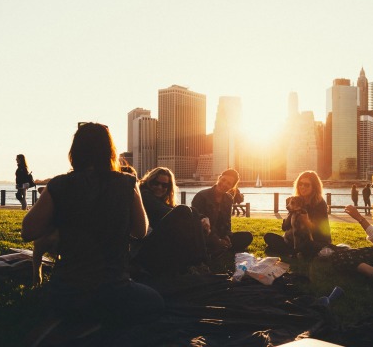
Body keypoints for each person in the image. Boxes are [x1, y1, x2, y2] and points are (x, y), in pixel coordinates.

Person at [21, 122, 164, 326]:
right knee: (155, 302)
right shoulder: (127, 183)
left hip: (66, 293)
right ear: (110, 151)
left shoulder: (58, 185)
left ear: (75, 152)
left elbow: (28, 231)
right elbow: (141, 231)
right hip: (114, 290)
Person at [132, 167, 209, 277]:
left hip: (156, 245)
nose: (159, 187)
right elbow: (167, 212)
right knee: (184, 211)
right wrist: (195, 220)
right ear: (149, 181)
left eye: (164, 185)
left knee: (194, 211)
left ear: (169, 188)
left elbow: (172, 208)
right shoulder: (145, 195)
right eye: (156, 183)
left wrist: (203, 217)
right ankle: (198, 263)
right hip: (144, 249)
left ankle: (199, 263)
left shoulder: (160, 200)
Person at [264, 171, 332, 258]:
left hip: (315, 240)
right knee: (268, 236)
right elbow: (284, 228)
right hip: (295, 240)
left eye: (307, 185)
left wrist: (306, 222)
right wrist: (290, 216)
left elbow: (319, 231)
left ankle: (290, 252)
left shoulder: (320, 203)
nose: (302, 187)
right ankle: (293, 252)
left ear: (314, 187)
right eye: (300, 184)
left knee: (307, 246)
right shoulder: (295, 201)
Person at [191, 169, 253, 258]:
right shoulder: (201, 196)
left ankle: (220, 248)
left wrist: (226, 235)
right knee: (206, 241)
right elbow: (198, 223)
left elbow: (227, 222)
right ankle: (217, 248)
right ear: (219, 178)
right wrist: (218, 240)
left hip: (220, 234)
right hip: (204, 235)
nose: (224, 184)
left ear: (232, 187)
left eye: (229, 183)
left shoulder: (229, 198)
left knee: (247, 236)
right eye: (223, 180)